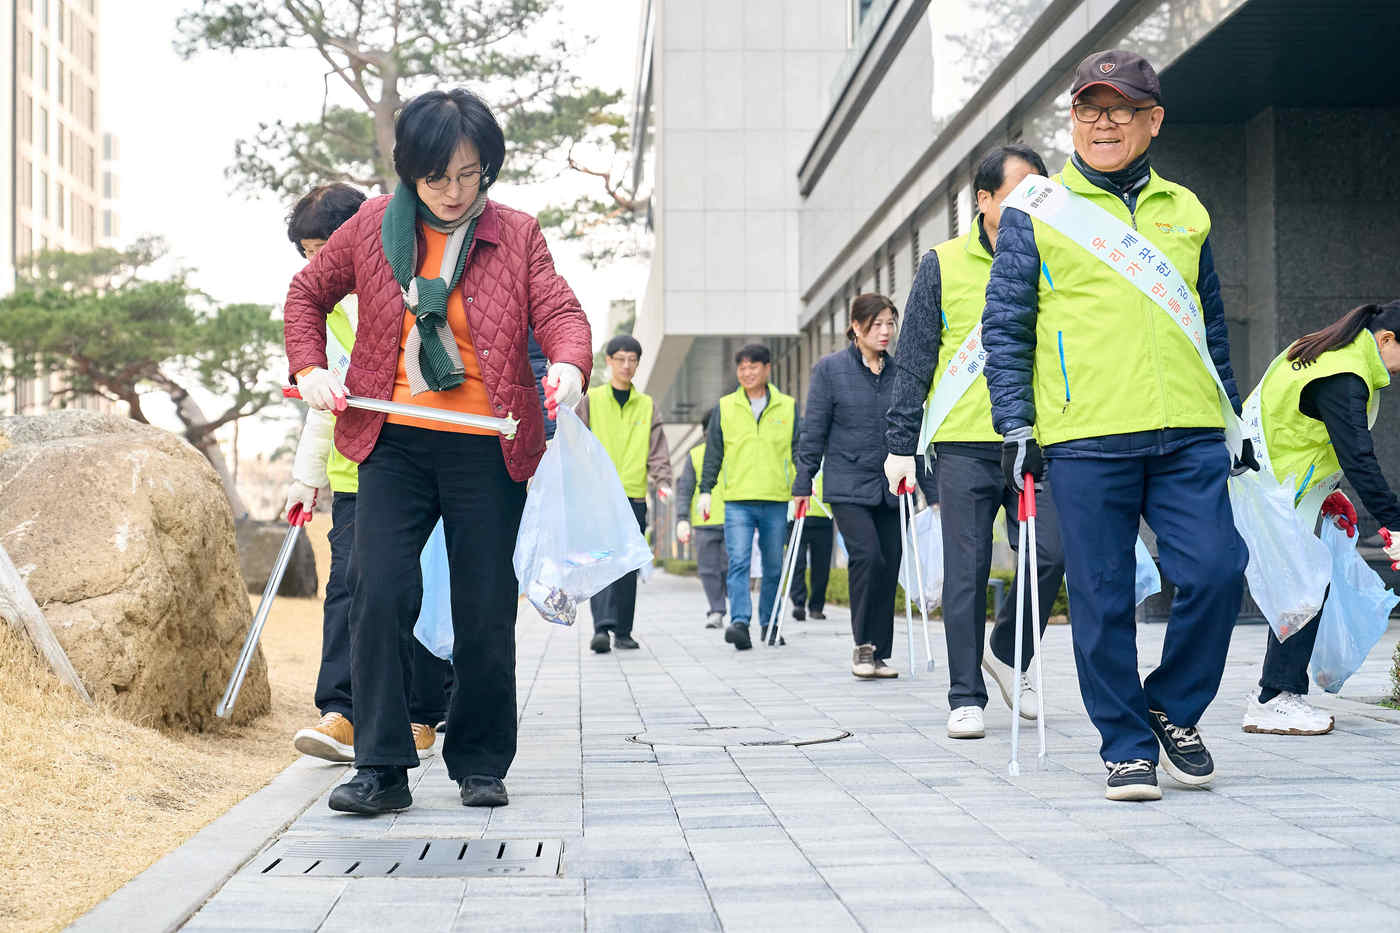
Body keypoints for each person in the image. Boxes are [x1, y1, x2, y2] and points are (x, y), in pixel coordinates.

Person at [283, 88, 592, 814]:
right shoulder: (367, 228)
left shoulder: (516, 233)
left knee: (483, 606)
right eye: (438, 177)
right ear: (409, 171)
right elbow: (305, 297)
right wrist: (310, 367)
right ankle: (382, 765)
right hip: (391, 442)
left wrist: (572, 365)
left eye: (470, 174)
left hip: (488, 445)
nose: (456, 193)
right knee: (380, 591)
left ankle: (481, 758)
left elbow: (559, 310)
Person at [981, 50, 1252, 802]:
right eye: (1089, 108)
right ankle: (1127, 745)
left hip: (1188, 429)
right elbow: (1006, 327)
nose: (1103, 122)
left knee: (1218, 569)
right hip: (1085, 432)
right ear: (1073, 120)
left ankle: (1170, 704)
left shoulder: (1186, 209)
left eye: (1121, 108)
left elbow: (1210, 324)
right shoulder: (1037, 208)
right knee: (1101, 597)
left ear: (1152, 120)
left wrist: (1230, 413)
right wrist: (1016, 425)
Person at [885, 144, 1068, 740]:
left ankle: (1008, 653)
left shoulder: (1056, 258)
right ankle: (965, 694)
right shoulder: (941, 263)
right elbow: (914, 358)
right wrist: (901, 443)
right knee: (965, 573)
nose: (1030, 206)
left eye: (1040, 193)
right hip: (962, 445)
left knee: (1050, 555)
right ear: (983, 200)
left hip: (1033, 441)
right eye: (1018, 193)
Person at [281, 183, 450, 764]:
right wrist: (307, 480)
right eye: (306, 251)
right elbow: (323, 398)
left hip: (421, 466)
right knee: (349, 590)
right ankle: (341, 712)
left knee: (416, 591)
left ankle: (422, 711)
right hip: (355, 470)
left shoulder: (407, 282)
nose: (315, 261)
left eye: (321, 245)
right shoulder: (327, 311)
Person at [1241, 301, 1400, 734]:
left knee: (1303, 582)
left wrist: (1327, 493)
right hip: (1270, 492)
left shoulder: (1320, 350)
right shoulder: (1344, 375)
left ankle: (1274, 688)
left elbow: (1297, 429)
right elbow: (1359, 456)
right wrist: (1394, 522)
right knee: (1304, 582)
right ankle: (1274, 697)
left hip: (1267, 484)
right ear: (1386, 339)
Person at [795, 294, 936, 677]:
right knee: (868, 556)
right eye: (877, 324)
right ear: (856, 328)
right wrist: (803, 482)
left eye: (890, 322)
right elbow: (814, 430)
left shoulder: (902, 372)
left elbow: (915, 432)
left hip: (892, 487)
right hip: (847, 484)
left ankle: (880, 653)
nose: (886, 331)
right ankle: (863, 646)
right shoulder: (830, 370)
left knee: (889, 565)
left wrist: (931, 491)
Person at [576, 334, 674, 653]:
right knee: (602, 561)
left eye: (632, 360)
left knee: (627, 564)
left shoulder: (646, 405)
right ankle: (602, 628)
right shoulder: (591, 400)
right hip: (597, 496)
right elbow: (576, 444)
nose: (626, 365)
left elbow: (657, 450)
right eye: (620, 359)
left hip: (633, 496)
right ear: (609, 362)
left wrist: (663, 482)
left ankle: (624, 630)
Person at [699, 345, 800, 650]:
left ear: (767, 368)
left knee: (772, 566)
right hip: (738, 500)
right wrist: (706, 490)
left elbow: (799, 450)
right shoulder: (726, 406)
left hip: (775, 498)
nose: (747, 373)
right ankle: (740, 622)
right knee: (739, 562)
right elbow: (714, 451)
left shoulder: (788, 406)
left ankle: (770, 624)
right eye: (742, 368)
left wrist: (801, 490)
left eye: (753, 367)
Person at [677, 431, 728, 629]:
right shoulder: (696, 454)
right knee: (708, 569)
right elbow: (686, 488)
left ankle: (730, 604)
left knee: (729, 566)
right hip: (704, 522)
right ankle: (716, 610)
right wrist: (682, 518)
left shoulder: (733, 450)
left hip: (733, 518)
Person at [787, 474, 833, 622]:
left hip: (824, 517)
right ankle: (798, 604)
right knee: (797, 563)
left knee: (822, 567)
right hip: (796, 515)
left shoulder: (828, 455)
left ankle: (816, 607)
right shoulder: (796, 455)